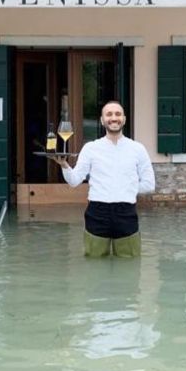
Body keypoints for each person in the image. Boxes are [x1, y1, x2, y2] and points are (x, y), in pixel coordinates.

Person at [53, 101, 155, 258]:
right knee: (94, 265)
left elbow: (149, 185)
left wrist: (124, 189)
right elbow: (74, 181)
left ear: (124, 119)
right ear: (102, 120)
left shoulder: (138, 149)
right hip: (97, 213)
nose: (114, 118)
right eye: (109, 114)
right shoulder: (90, 148)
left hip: (126, 213)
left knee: (129, 267)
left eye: (118, 114)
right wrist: (64, 165)